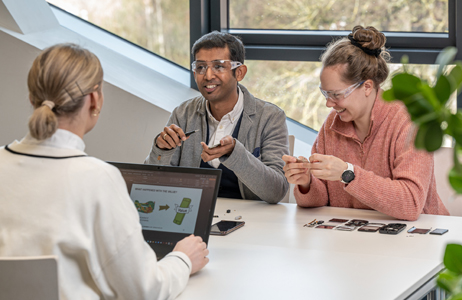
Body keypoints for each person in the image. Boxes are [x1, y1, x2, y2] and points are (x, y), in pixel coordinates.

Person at [0, 44, 209, 299]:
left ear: (31, 99)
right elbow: (144, 290)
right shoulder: (97, 179)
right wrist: (183, 258)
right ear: (94, 100)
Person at [282, 26, 449, 221]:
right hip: (357, 239)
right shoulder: (332, 125)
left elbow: (411, 203)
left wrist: (348, 173)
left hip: (418, 239)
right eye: (325, 94)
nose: (328, 103)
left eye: (336, 94)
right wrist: (307, 181)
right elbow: (321, 199)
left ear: (367, 86)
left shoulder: (408, 121)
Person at [145, 31, 289, 204]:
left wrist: (236, 154)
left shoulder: (270, 117)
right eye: (200, 67)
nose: (208, 76)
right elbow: (150, 183)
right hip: (190, 216)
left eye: (218, 66)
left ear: (240, 72)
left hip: (251, 223)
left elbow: (277, 191)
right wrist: (161, 150)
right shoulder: (183, 113)